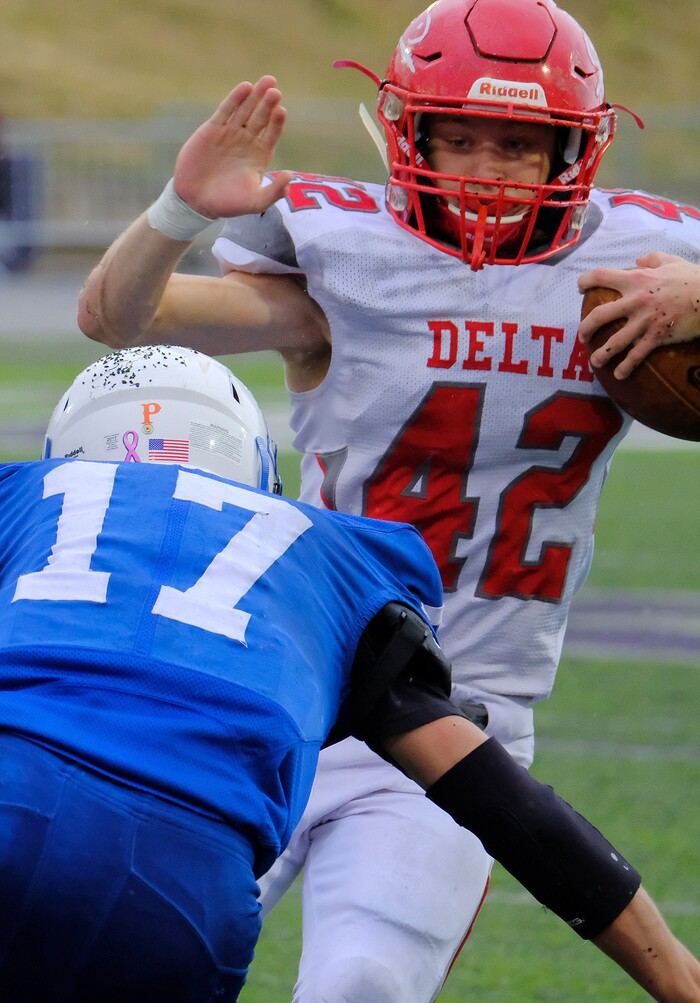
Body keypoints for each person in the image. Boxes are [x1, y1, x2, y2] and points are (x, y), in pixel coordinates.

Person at [77, 0, 700, 999]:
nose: (483, 170)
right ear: (407, 133)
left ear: (571, 155)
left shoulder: (629, 275)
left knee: (361, 980)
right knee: (108, 959)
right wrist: (178, 211)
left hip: (465, 717)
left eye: (515, 144)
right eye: (457, 137)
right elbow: (119, 317)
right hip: (280, 691)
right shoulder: (349, 270)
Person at [3, 343, 697, 1002]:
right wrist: (677, 977)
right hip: (182, 887)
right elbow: (504, 801)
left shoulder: (23, 501)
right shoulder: (323, 561)